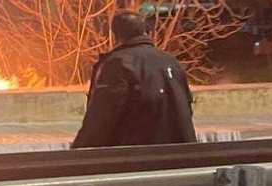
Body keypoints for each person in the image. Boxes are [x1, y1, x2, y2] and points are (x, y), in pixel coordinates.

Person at [71, 11, 197, 148]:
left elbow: (101, 118)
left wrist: (78, 151)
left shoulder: (118, 64)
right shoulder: (172, 62)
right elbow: (185, 107)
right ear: (145, 31)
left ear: (115, 36)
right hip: (180, 153)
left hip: (138, 155)